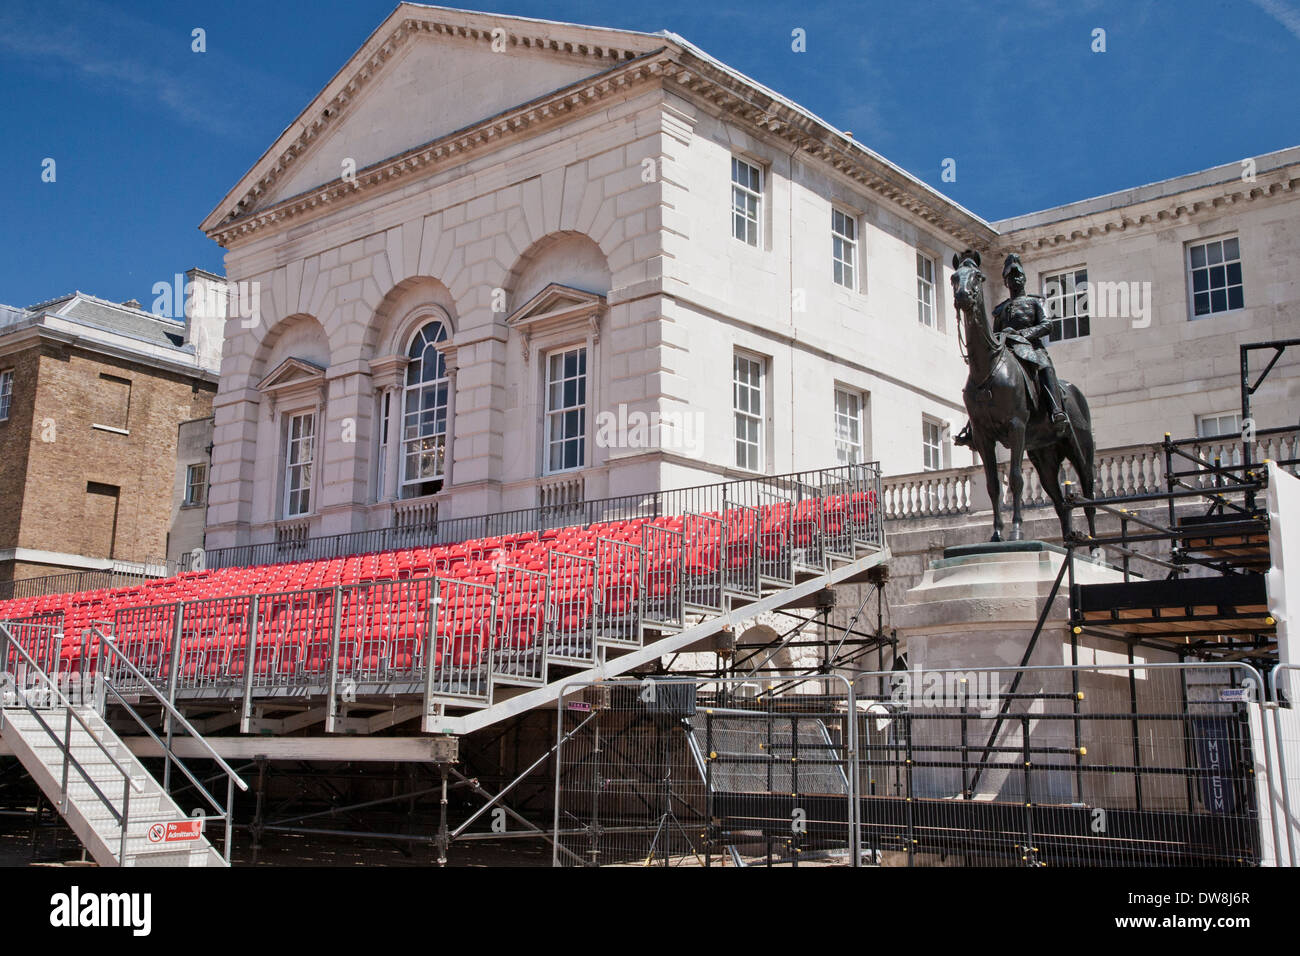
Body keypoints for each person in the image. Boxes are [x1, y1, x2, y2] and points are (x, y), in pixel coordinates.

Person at [955, 253, 1068, 447]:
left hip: (1031, 348)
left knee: (1045, 367)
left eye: (1017, 274)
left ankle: (1056, 409)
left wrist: (1022, 334)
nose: (1014, 278)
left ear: (1024, 278)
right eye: (1009, 276)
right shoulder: (1001, 309)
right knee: (980, 381)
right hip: (1007, 351)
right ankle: (972, 426)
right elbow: (995, 333)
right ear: (1005, 282)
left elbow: (1046, 325)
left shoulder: (1035, 302)